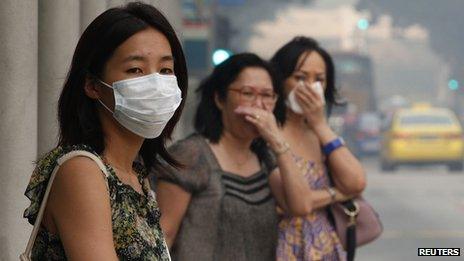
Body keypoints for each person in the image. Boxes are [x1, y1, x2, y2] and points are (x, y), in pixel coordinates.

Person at [23, 2, 187, 260]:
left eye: (165, 70)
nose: (155, 83)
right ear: (92, 85)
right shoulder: (82, 170)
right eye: (135, 70)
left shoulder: (135, 176)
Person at [154, 53, 315, 261]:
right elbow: (164, 235)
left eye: (267, 95)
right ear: (220, 99)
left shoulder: (264, 157)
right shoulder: (191, 154)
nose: (259, 104)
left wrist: (277, 143)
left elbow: (301, 206)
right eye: (247, 93)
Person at [270, 36, 366, 260]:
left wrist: (320, 124)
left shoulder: (320, 135)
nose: (310, 88)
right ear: (279, 80)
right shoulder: (268, 133)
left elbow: (357, 182)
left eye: (319, 80)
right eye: (300, 78)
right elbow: (299, 203)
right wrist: (337, 193)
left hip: (324, 247)